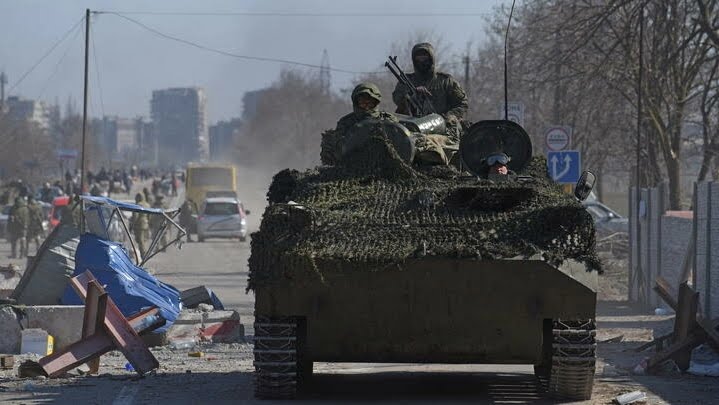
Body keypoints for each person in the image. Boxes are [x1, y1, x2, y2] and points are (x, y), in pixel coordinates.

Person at [321, 82, 398, 165]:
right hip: (352, 165)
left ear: (376, 102)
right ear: (356, 103)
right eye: (363, 103)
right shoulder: (346, 122)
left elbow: (399, 142)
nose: (366, 106)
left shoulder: (388, 119)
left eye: (370, 103)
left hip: (384, 163)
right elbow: (339, 148)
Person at [130, 193, 150, 258]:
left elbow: (135, 216)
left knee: (140, 240)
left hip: (139, 224)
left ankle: (143, 253)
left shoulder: (138, 205)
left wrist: (132, 224)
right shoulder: (147, 204)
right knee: (143, 239)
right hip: (146, 223)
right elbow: (150, 215)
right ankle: (143, 252)